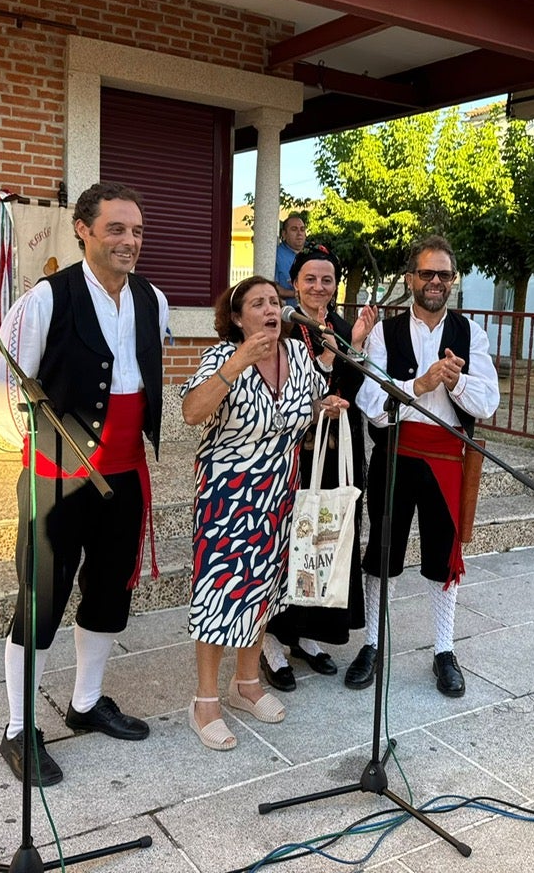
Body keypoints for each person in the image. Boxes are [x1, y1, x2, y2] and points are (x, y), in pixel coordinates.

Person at [0, 182, 168, 786]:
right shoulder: (44, 299)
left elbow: (134, 381)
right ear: (82, 230)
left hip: (124, 474)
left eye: (137, 230)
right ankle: (18, 728)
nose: (129, 241)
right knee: (40, 602)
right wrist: (38, 447)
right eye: (116, 228)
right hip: (56, 479)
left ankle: (86, 704)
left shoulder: (153, 299)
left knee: (110, 593)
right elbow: (3, 389)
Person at [179, 275, 341, 750]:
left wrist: (323, 407)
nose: (271, 309)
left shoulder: (300, 360)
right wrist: (237, 364)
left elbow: (302, 411)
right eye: (258, 303)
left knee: (264, 593)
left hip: (278, 496)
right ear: (236, 316)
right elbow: (191, 412)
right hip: (227, 497)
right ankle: (204, 700)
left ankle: (247, 683)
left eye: (275, 301)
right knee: (219, 593)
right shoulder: (221, 358)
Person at [346, 235, 500, 698]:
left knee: (442, 557)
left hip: (448, 456)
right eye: (427, 273)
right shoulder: (383, 333)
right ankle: (372, 643)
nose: (435, 282)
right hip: (397, 455)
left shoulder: (470, 333)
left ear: (452, 281)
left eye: (444, 275)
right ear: (411, 278)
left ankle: (444, 649)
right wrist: (419, 382)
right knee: (383, 552)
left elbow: (488, 402)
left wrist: (455, 384)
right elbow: (371, 401)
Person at [261, 244, 378, 691]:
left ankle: (307, 636)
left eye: (327, 279)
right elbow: (281, 386)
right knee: (287, 544)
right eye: (310, 278)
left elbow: (358, 383)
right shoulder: (281, 326)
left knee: (326, 538)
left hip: (338, 451)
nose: (318, 287)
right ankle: (271, 639)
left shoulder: (344, 328)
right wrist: (323, 375)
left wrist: (360, 344)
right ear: (295, 282)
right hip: (292, 451)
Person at [274, 213, 307, 301]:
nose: (299, 233)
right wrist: (295, 294)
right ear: (284, 234)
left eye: (302, 229)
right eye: (294, 229)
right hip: (286, 311)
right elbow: (271, 286)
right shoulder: (276, 255)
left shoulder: (312, 254)